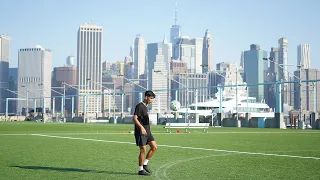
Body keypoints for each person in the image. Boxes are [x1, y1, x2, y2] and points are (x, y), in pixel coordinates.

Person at [133, 90, 157, 176]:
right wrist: (141, 127)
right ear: (146, 97)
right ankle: (140, 170)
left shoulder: (146, 106)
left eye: (152, 99)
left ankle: (145, 164)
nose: (152, 100)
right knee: (143, 149)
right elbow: (135, 118)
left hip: (148, 131)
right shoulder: (140, 106)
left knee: (154, 147)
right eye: (151, 98)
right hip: (141, 131)